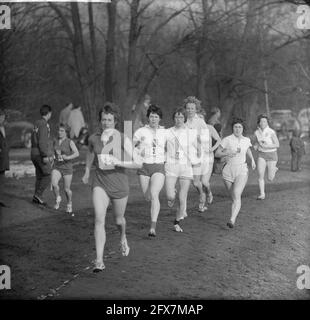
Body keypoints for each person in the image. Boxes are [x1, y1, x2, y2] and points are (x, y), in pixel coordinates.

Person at [82, 102, 141, 272]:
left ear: (115, 121)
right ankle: (99, 260)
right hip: (100, 183)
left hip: (119, 185)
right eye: (103, 119)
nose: (106, 122)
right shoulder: (94, 137)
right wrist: (87, 171)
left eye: (109, 120)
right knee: (99, 219)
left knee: (118, 220)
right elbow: (90, 153)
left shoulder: (123, 138)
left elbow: (138, 163)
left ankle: (122, 237)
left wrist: (118, 162)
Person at [215, 118, 256, 228]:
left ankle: (232, 220)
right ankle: (233, 214)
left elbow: (248, 149)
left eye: (240, 127)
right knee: (234, 197)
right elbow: (217, 153)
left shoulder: (246, 140)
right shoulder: (227, 140)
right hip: (228, 170)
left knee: (237, 193)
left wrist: (252, 159)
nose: (237, 129)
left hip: (241, 169)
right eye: (235, 127)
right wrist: (226, 153)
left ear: (243, 128)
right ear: (232, 128)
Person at [133, 104, 166, 237]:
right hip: (144, 167)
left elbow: (173, 147)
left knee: (153, 194)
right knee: (147, 197)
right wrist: (138, 147)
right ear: (148, 118)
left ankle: (153, 226)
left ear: (160, 119)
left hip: (158, 166)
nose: (153, 119)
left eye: (156, 117)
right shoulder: (140, 132)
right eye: (151, 116)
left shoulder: (165, 132)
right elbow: (133, 148)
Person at [184, 96, 221, 212]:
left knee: (204, 182)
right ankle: (202, 195)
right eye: (188, 108)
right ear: (186, 109)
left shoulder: (201, 123)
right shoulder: (184, 123)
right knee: (195, 183)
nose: (190, 110)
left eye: (192, 108)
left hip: (206, 157)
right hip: (194, 156)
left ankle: (208, 194)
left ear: (196, 110)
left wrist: (207, 147)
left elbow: (206, 139)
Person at [165, 107, 198, 232]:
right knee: (170, 196)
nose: (178, 119)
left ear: (185, 119)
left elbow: (196, 146)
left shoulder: (191, 132)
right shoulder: (167, 132)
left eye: (181, 117)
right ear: (173, 118)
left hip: (185, 166)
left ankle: (177, 221)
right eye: (176, 117)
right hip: (171, 166)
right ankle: (171, 195)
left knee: (182, 197)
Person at [51, 124, 79, 215]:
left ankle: (69, 203)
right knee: (54, 184)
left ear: (66, 132)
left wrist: (67, 157)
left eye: (62, 131)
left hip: (67, 168)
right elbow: (53, 152)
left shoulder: (69, 142)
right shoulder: (55, 141)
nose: (59, 132)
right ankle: (58, 198)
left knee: (66, 189)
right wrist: (52, 157)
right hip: (57, 166)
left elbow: (77, 153)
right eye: (59, 130)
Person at [31, 104, 54, 205]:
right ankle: (38, 195)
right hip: (40, 154)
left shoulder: (36, 123)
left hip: (33, 153)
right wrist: (45, 155)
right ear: (49, 113)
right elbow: (42, 142)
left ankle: (36, 198)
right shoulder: (44, 124)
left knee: (40, 176)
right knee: (48, 174)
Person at [253, 114, 279, 200]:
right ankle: (262, 194)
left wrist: (266, 146)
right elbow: (256, 143)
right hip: (262, 155)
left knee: (270, 178)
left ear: (267, 122)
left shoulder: (271, 132)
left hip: (272, 155)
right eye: (261, 121)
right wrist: (256, 146)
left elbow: (277, 144)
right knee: (260, 175)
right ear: (259, 122)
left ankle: (274, 169)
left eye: (264, 121)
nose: (263, 123)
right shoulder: (256, 132)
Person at [208, 107, 223, 174]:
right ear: (216, 113)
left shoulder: (217, 120)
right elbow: (211, 131)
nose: (220, 114)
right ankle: (212, 170)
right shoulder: (211, 121)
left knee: (218, 153)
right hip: (213, 139)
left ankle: (216, 169)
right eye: (219, 112)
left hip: (218, 138)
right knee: (214, 154)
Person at [0, 109, 9, 207]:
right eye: (1, 116)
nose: (2, 118)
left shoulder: (3, 127)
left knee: (2, 178)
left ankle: (1, 199)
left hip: (3, 157)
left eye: (3, 117)